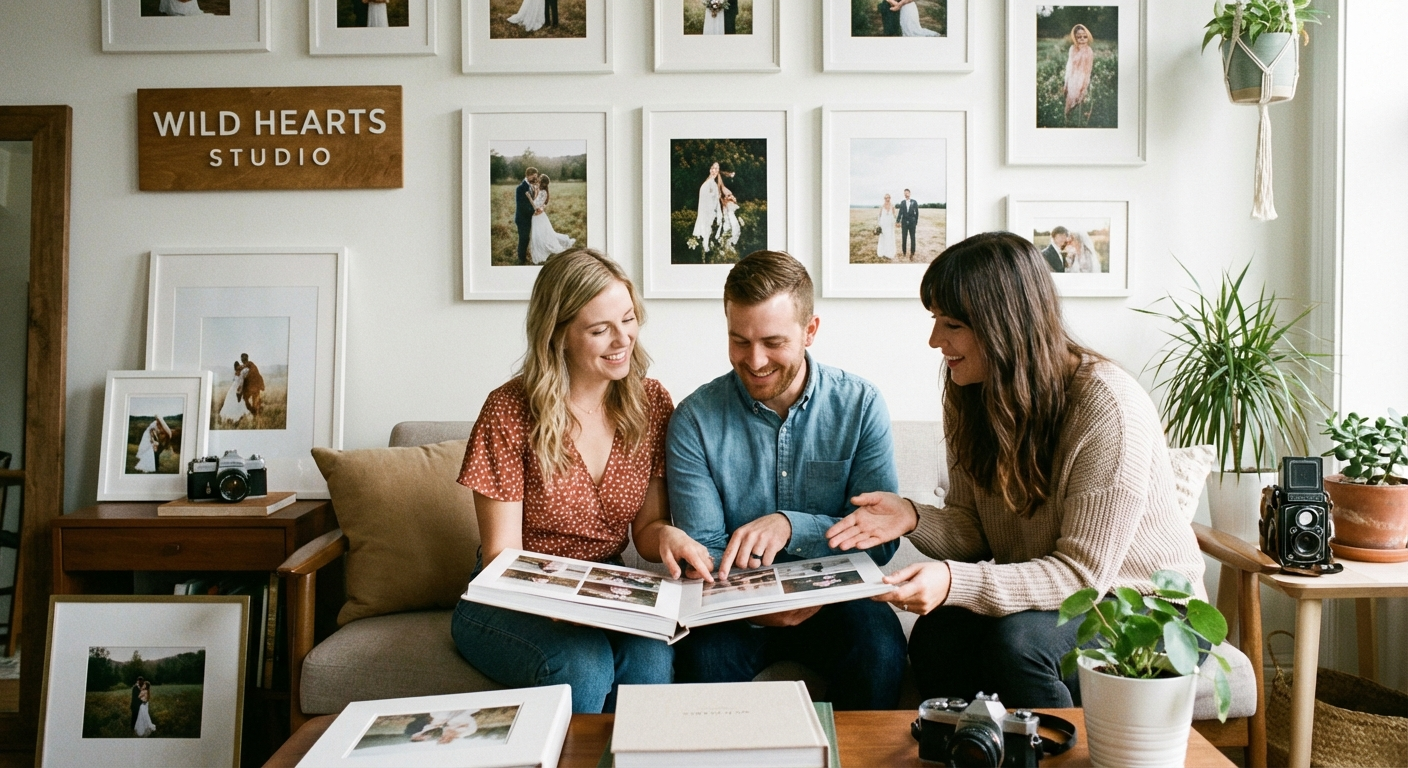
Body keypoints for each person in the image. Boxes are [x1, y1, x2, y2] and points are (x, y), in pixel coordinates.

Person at [824, 232, 1205, 708]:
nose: (934, 340)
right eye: (935, 321)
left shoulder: (1107, 407)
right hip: (1054, 600)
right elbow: (976, 532)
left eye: (952, 325)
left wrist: (953, 581)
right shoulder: (971, 394)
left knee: (1020, 645)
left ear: (1003, 326)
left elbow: (1081, 578)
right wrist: (911, 517)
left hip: (1147, 608)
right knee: (937, 633)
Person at [452, 249, 712, 714]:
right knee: (584, 662)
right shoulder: (509, 410)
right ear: (558, 334)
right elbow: (501, 556)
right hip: (511, 597)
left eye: (629, 319)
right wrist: (562, 606)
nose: (623, 339)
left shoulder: (650, 403)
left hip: (603, 591)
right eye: (600, 330)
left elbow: (647, 532)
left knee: (653, 657)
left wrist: (670, 536)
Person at [667, 250, 908, 711]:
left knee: (879, 652)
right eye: (739, 341)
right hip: (733, 610)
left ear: (810, 331)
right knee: (700, 663)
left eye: (772, 342)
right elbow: (705, 550)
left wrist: (791, 526)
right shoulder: (694, 420)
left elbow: (879, 541)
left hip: (839, 602)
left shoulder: (860, 406)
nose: (754, 361)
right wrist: (760, 601)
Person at [528, 176, 576, 264]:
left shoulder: (543, 192)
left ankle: (545, 247)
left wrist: (531, 196)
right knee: (543, 234)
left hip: (539, 217)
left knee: (543, 234)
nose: (538, 182)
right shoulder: (540, 191)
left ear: (543, 183)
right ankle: (543, 245)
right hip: (537, 216)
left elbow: (536, 204)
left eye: (540, 181)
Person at [1063, 24, 1095, 122]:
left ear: (1088, 37)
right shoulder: (1072, 49)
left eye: (1085, 37)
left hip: (1082, 77)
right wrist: (1066, 83)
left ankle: (1079, 123)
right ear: (1075, 38)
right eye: (1079, 37)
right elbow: (1069, 66)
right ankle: (1067, 122)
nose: (1082, 39)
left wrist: (1084, 84)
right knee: (1069, 102)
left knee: (1080, 101)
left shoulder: (1089, 51)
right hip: (1073, 77)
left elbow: (1088, 69)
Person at [692, 162, 723, 257]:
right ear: (710, 170)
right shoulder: (708, 183)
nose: (715, 171)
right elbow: (708, 200)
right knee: (707, 232)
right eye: (713, 168)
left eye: (717, 169)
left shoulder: (712, 183)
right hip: (707, 212)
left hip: (711, 212)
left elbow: (715, 200)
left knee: (712, 231)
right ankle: (706, 251)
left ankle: (708, 248)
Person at [515, 167, 540, 265]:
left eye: (536, 177)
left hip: (530, 218)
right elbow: (522, 206)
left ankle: (528, 255)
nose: (535, 179)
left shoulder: (532, 186)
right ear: (528, 175)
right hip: (522, 219)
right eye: (534, 177)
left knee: (529, 238)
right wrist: (534, 212)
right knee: (524, 238)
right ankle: (521, 259)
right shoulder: (520, 188)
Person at [717, 171, 741, 248]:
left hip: (729, 212)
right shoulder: (722, 193)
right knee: (730, 227)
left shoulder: (724, 190)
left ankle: (730, 243)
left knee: (733, 227)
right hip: (727, 212)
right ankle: (729, 243)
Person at [239, 353, 265, 418]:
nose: (242, 359)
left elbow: (252, 376)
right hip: (253, 387)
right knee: (250, 400)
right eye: (242, 358)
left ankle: (255, 413)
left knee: (251, 401)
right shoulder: (249, 366)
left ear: (245, 359)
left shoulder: (249, 366)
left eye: (243, 358)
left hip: (253, 387)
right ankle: (254, 412)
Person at [897, 189, 919, 260]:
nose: (906, 194)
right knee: (904, 237)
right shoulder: (902, 202)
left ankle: (912, 252)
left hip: (912, 223)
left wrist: (915, 222)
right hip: (904, 223)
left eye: (907, 193)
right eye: (905, 193)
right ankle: (904, 252)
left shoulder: (914, 202)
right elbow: (900, 212)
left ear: (910, 193)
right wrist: (898, 221)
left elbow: (917, 213)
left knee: (912, 238)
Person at [876, 194, 897, 261]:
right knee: (883, 238)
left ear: (890, 198)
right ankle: (882, 252)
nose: (887, 199)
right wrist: (879, 224)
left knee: (889, 237)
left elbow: (894, 215)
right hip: (883, 225)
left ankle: (889, 253)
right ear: (884, 198)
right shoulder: (882, 206)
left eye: (888, 197)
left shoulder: (892, 206)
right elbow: (879, 215)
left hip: (890, 225)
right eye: (885, 198)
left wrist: (895, 222)